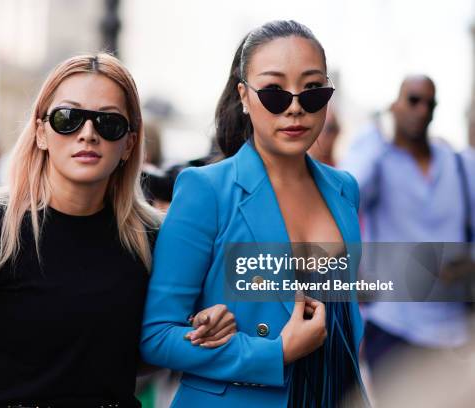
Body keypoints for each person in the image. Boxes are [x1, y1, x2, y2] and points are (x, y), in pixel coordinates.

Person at [0, 53, 235, 408]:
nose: (88, 134)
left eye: (108, 123)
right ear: (41, 132)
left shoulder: (153, 237)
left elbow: (137, 357)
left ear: (129, 143)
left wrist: (198, 331)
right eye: (68, 118)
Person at [140, 21, 369, 407]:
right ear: (244, 97)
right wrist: (275, 353)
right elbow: (156, 336)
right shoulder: (206, 190)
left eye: (313, 90)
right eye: (275, 92)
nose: (295, 107)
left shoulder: (344, 188)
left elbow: (346, 318)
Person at [341, 75, 475, 390]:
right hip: (393, 326)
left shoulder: (457, 165)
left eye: (430, 103)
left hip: (451, 331)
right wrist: (377, 135)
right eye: (413, 100)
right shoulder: (378, 159)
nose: (421, 110)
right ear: (395, 106)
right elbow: (346, 193)